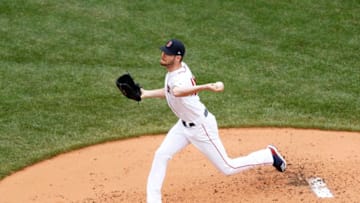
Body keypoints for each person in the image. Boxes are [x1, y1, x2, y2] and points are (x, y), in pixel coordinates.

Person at [141, 39, 286, 203]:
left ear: (178, 58)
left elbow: (178, 91)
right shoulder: (174, 72)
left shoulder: (180, 77)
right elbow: (170, 92)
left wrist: (206, 87)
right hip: (183, 126)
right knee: (161, 154)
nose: (163, 55)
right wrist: (146, 93)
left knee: (228, 167)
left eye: (168, 54)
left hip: (201, 128)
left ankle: (268, 155)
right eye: (164, 52)